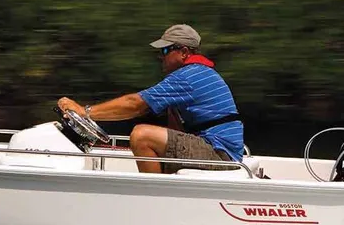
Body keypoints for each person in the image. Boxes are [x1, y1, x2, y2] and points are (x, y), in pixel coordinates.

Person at [57, 24, 244, 174]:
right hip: (218, 149)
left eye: (165, 51)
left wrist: (85, 112)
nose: (159, 57)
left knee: (142, 136)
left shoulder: (188, 76)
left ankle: (154, 200)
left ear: (184, 52)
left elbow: (135, 104)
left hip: (219, 154)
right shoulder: (198, 74)